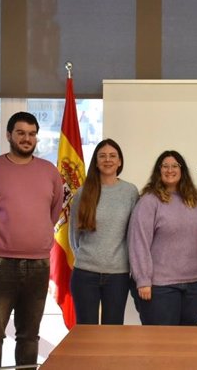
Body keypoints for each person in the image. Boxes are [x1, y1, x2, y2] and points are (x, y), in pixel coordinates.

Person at [0, 112, 63, 369]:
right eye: (21, 133)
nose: (27, 138)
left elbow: (53, 213)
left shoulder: (49, 171)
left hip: (37, 265)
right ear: (9, 135)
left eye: (32, 133)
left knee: (29, 336)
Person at [128, 150, 197, 325]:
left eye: (174, 166)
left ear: (182, 170)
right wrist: (143, 280)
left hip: (194, 285)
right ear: (158, 170)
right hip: (159, 287)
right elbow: (138, 242)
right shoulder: (149, 201)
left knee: (188, 343)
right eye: (165, 166)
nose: (169, 170)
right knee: (160, 344)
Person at [68, 139, 139, 325]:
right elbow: (73, 236)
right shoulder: (83, 192)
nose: (108, 160)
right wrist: (86, 258)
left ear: (120, 161)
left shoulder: (130, 192)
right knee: (85, 331)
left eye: (112, 156)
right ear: (96, 161)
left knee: (113, 331)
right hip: (85, 273)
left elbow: (134, 234)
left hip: (118, 275)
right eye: (102, 156)